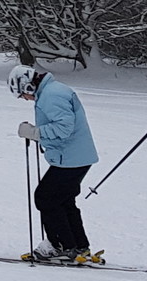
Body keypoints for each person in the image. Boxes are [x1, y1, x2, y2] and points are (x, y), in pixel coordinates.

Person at [8, 62, 100, 264]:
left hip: (70, 158)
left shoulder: (50, 96)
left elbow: (64, 128)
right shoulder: (53, 91)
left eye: (22, 94)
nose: (25, 99)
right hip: (75, 156)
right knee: (63, 201)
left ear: (27, 85)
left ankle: (60, 246)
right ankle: (78, 246)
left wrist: (36, 133)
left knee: (45, 198)